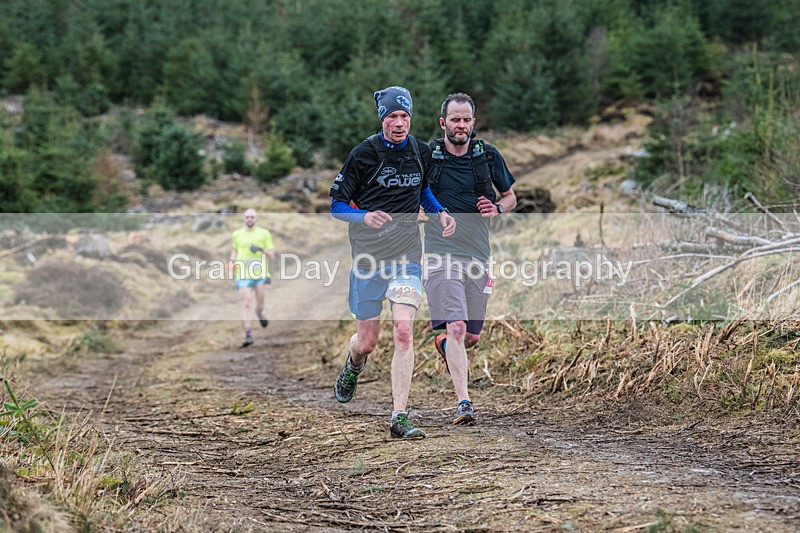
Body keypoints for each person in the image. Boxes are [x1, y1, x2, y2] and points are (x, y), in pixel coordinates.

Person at [329, 86, 456, 439]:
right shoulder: (363, 155)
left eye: (404, 117)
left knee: (403, 330)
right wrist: (363, 216)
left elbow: (425, 190)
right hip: (369, 258)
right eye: (391, 117)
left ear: (411, 118)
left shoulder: (420, 151)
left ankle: (399, 415)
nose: (398, 123)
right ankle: (354, 364)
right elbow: (337, 206)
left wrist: (440, 212)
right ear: (382, 119)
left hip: (406, 257)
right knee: (366, 342)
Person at [422, 92, 517, 425]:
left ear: (473, 123)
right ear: (442, 123)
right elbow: (410, 195)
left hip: (478, 254)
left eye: (466, 120)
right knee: (458, 326)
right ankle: (464, 402)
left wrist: (498, 208)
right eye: (454, 120)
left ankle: (446, 344)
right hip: (439, 253)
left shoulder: (487, 156)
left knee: (470, 335)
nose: (460, 126)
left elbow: (510, 196)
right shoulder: (428, 157)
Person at [229, 208, 275, 347]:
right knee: (246, 302)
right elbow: (234, 251)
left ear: (256, 219)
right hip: (242, 273)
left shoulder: (264, 233)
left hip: (259, 273)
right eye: (247, 217)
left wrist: (261, 250)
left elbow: (272, 255)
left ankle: (259, 312)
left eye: (252, 217)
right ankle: (248, 334)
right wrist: (231, 263)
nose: (249, 219)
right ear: (244, 218)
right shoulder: (236, 234)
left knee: (260, 304)